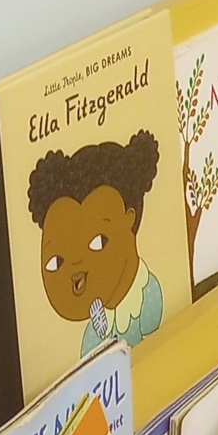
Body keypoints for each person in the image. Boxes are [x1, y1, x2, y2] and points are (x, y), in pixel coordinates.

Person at [27, 133, 166, 354]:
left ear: (129, 218)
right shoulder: (94, 331)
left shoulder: (147, 295)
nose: (76, 263)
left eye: (99, 242)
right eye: (56, 262)